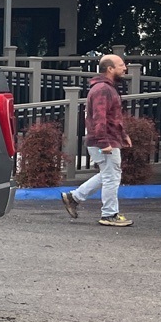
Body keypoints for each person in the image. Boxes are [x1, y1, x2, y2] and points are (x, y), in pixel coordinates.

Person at [61, 54, 133, 227]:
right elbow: (99, 118)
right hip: (104, 141)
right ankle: (109, 214)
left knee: (109, 175)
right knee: (112, 177)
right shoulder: (103, 89)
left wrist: (123, 136)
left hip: (105, 140)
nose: (125, 68)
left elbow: (111, 118)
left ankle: (74, 197)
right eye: (121, 65)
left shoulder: (104, 88)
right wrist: (104, 142)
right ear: (110, 69)